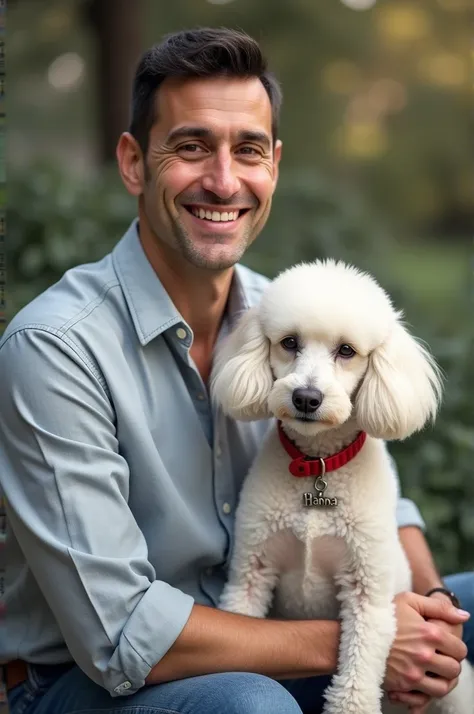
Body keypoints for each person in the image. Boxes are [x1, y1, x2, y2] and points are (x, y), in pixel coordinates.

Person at [0, 27, 472, 714]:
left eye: (247, 150)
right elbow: (121, 634)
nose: (224, 180)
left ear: (273, 167)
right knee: (250, 705)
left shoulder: (286, 310)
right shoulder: (53, 350)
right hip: (87, 679)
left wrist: (424, 614)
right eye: (192, 147)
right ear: (134, 163)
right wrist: (362, 640)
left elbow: (378, 494)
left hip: (273, 634)